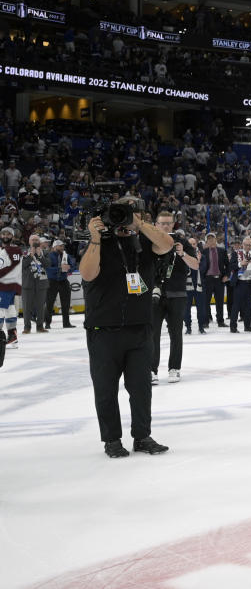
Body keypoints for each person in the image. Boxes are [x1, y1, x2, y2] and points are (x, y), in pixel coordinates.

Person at [79, 196, 173, 458]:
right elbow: (87, 274)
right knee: (106, 389)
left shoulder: (145, 241)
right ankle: (111, 440)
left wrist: (139, 226)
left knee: (141, 388)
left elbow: (167, 244)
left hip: (139, 327)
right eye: (122, 213)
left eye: (134, 213)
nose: (126, 218)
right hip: (103, 329)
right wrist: (96, 237)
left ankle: (142, 436)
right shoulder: (98, 241)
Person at [151, 213, 198, 384]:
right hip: (154, 294)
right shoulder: (149, 240)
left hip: (177, 294)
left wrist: (183, 254)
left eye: (168, 223)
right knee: (152, 334)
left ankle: (174, 368)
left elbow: (195, 265)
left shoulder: (182, 241)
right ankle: (151, 370)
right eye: (162, 223)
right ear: (155, 224)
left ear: (173, 224)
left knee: (176, 334)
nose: (165, 226)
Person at [228, 236, 251, 333]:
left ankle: (248, 326)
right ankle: (233, 327)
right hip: (240, 283)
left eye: (250, 245)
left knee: (249, 305)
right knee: (236, 306)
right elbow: (231, 266)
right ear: (243, 245)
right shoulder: (235, 254)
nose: (248, 247)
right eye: (246, 245)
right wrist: (240, 264)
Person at [44, 239, 77, 329]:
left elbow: (73, 266)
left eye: (63, 246)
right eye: (60, 246)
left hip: (63, 281)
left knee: (66, 303)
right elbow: (47, 269)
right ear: (55, 247)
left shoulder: (66, 255)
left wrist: (68, 268)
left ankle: (66, 323)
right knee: (49, 303)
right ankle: (47, 323)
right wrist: (60, 268)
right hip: (52, 282)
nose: (62, 247)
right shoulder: (49, 256)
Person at [199, 233, 229, 329]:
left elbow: (228, 265)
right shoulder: (203, 252)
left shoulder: (222, 251)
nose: (211, 240)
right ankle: (206, 321)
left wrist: (227, 275)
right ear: (206, 241)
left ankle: (220, 321)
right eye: (209, 239)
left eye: (212, 239)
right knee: (206, 301)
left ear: (216, 240)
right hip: (208, 279)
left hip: (219, 279)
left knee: (220, 301)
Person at [21, 234, 49, 336]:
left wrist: (40, 256)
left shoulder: (44, 252)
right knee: (26, 307)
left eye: (37, 239)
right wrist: (30, 255)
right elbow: (22, 265)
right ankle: (27, 327)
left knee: (40, 306)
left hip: (41, 283)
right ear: (29, 242)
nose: (35, 241)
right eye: (33, 239)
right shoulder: (24, 252)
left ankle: (40, 326)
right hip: (28, 283)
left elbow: (48, 265)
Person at [0, 226, 22, 352]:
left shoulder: (13, 250)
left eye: (8, 234)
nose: (5, 236)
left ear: (12, 236)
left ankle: (2, 338)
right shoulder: (6, 250)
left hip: (6, 284)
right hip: (8, 285)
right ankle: (12, 337)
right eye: (3, 234)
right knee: (9, 309)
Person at [182, 237, 205, 335]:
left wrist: (198, 262)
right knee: (186, 309)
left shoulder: (202, 256)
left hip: (199, 286)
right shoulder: (183, 256)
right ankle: (188, 327)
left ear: (196, 245)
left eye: (194, 244)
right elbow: (183, 270)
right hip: (187, 287)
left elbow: (204, 269)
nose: (192, 246)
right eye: (190, 244)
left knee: (201, 308)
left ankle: (201, 327)